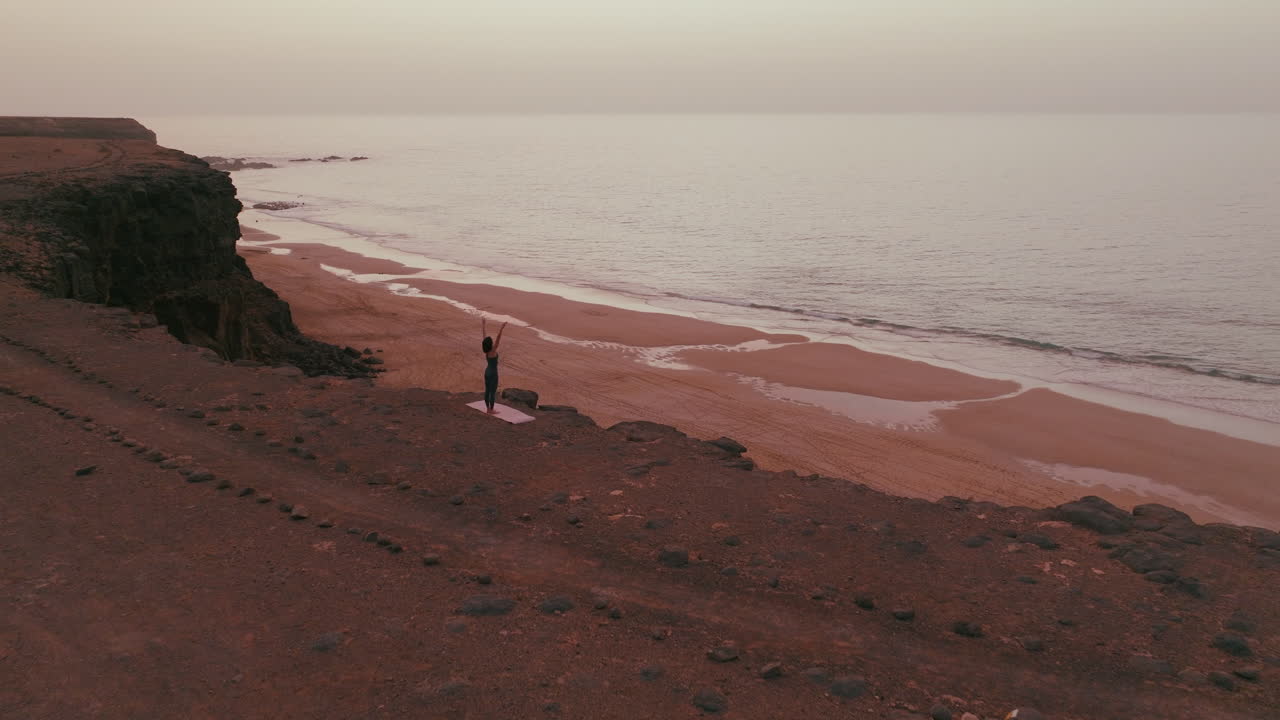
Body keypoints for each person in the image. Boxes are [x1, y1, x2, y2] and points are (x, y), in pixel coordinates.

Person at [481, 318, 507, 414]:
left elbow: (484, 338)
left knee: (487, 391)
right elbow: (498, 339)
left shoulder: (486, 350)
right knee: (492, 392)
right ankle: (491, 410)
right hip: (493, 373)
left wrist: (483, 324)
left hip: (487, 372)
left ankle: (487, 408)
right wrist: (502, 328)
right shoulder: (492, 351)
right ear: (490, 344)